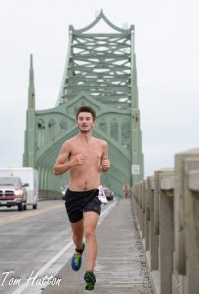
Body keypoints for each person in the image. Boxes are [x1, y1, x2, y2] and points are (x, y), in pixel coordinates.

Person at [53, 106, 110, 291]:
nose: (84, 121)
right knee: (78, 236)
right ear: (77, 122)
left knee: (90, 232)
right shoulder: (69, 144)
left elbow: (102, 166)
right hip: (74, 196)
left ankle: (90, 272)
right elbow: (56, 169)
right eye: (81, 119)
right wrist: (71, 163)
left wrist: (106, 166)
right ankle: (78, 250)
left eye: (87, 118)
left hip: (94, 193)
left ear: (93, 122)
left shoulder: (102, 144)